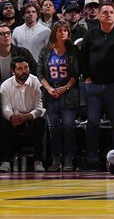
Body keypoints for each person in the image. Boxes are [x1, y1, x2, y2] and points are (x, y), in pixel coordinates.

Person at [79, 4, 114, 170]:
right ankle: (92, 159)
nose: (108, 15)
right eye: (105, 12)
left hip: (113, 86)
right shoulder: (90, 34)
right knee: (92, 123)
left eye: (111, 12)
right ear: (99, 16)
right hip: (93, 86)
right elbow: (83, 58)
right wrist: (87, 77)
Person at [37, 21, 79, 171]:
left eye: (65, 30)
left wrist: (65, 87)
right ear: (54, 32)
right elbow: (40, 72)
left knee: (68, 126)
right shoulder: (45, 51)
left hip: (68, 93)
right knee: (53, 127)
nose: (63, 33)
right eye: (60, 30)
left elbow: (76, 73)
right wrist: (48, 89)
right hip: (51, 94)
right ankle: (56, 159)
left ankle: (68, 159)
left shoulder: (73, 50)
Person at [0, 56, 46, 172]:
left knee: (40, 123)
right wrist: (12, 117)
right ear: (13, 71)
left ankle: (38, 161)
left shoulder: (36, 82)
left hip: (31, 117)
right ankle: (5, 161)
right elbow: (5, 108)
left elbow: (40, 108)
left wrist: (26, 116)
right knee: (5, 124)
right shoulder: (5, 85)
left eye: (26, 67)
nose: (24, 71)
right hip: (14, 117)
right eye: (19, 68)